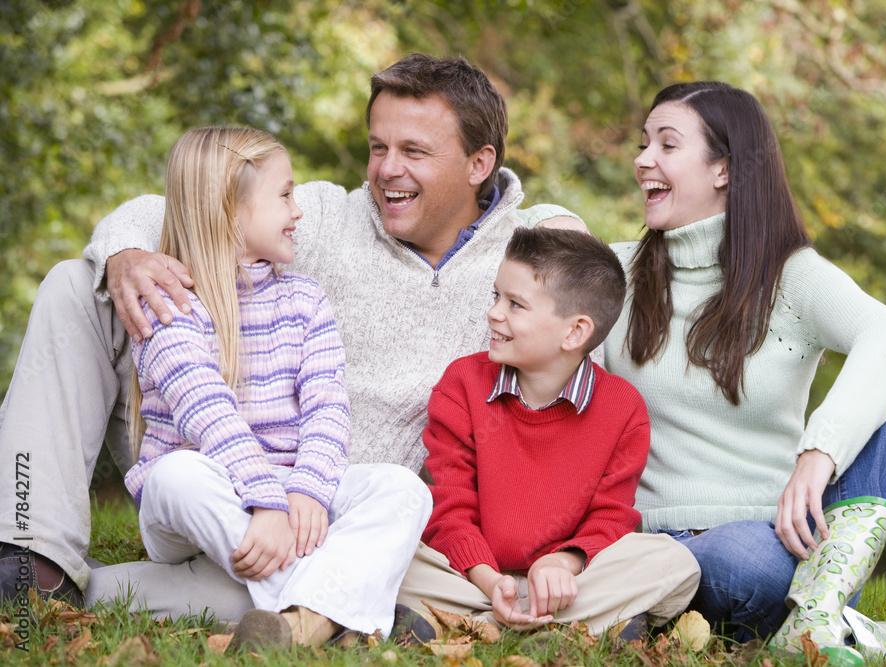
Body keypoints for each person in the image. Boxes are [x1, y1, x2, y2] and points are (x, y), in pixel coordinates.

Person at [0, 53, 582, 616]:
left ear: (479, 165)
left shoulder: (525, 260)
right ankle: (30, 547)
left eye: (414, 151)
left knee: (262, 581)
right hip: (203, 451)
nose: (386, 169)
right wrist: (126, 252)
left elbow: (592, 283)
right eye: (378, 147)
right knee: (77, 283)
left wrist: (566, 227)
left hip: (330, 501)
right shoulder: (326, 216)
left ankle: (124, 593)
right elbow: (185, 205)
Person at [603, 80, 886, 663]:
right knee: (719, 559)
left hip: (772, 547)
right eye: (643, 144)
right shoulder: (615, 274)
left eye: (666, 144)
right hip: (658, 548)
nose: (642, 161)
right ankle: (848, 634)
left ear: (724, 170)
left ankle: (815, 608)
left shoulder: (790, 277)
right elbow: (529, 272)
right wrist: (555, 220)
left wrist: (820, 453)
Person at [124, 126, 430, 649]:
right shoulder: (169, 306)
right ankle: (341, 609)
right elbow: (208, 412)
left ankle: (298, 626)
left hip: (288, 497)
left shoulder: (307, 301)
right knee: (177, 475)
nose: (298, 210)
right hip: (205, 501)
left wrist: (306, 488)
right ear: (229, 211)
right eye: (285, 195)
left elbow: (328, 409)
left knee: (402, 489)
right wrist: (265, 502)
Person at [394, 227, 700, 642]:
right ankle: (559, 628)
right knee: (393, 550)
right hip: (468, 576)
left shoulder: (623, 408)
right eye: (496, 296)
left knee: (675, 562)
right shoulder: (463, 383)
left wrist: (563, 564)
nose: (495, 313)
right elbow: (451, 504)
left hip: (566, 585)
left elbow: (611, 517)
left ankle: (478, 626)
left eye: (515, 304)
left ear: (574, 333)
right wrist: (488, 580)